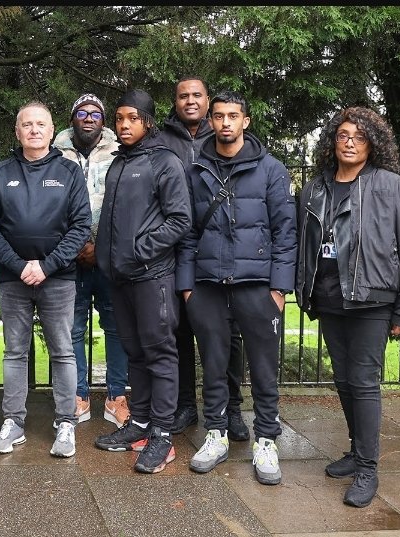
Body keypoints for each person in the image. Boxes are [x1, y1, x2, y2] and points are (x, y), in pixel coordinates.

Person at [295, 106, 400, 507]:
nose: (350, 142)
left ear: (373, 143)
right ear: (332, 141)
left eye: (360, 136)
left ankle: (368, 467)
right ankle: (356, 451)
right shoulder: (315, 188)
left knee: (364, 382)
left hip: (372, 298)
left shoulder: (392, 187)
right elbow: (304, 244)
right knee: (343, 380)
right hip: (330, 297)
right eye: (343, 135)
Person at [176, 91, 295, 485]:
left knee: (263, 368)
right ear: (211, 121)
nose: (225, 123)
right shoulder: (197, 172)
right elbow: (187, 233)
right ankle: (216, 433)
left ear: (246, 121)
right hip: (207, 285)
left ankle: (266, 440)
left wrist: (278, 288)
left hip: (257, 285)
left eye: (233, 116)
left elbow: (285, 233)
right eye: (219, 116)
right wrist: (187, 287)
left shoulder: (271, 169)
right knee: (212, 364)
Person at [0, 100, 91, 458]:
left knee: (63, 351)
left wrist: (46, 265)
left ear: (51, 130)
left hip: (58, 278)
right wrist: (17, 263)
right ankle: (13, 422)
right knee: (14, 352)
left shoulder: (69, 172)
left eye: (41, 124)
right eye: (26, 124)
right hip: (13, 279)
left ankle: (66, 423)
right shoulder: (1, 174)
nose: (34, 130)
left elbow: (80, 226)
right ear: (17, 131)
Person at [93, 89, 191, 474]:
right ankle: (139, 423)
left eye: (132, 118)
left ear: (148, 121)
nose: (124, 125)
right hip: (120, 278)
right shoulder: (119, 163)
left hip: (152, 277)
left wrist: (139, 249)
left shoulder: (164, 162)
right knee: (135, 354)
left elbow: (180, 220)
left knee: (160, 354)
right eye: (119, 119)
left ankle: (162, 436)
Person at [157, 75, 249, 440]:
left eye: (197, 95)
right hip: (173, 249)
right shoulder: (161, 140)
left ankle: (233, 408)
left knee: (230, 336)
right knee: (178, 333)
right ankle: (185, 406)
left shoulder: (225, 135)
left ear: (208, 103)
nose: (190, 101)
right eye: (183, 96)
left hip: (222, 252)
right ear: (175, 101)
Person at [52, 93, 130, 427]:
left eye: (95, 113)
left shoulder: (120, 153)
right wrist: (75, 246)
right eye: (81, 112)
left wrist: (99, 246)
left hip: (109, 256)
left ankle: (116, 397)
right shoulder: (55, 155)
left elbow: (127, 203)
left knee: (116, 327)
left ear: (103, 119)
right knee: (71, 329)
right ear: (73, 118)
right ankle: (78, 395)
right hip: (68, 258)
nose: (88, 118)